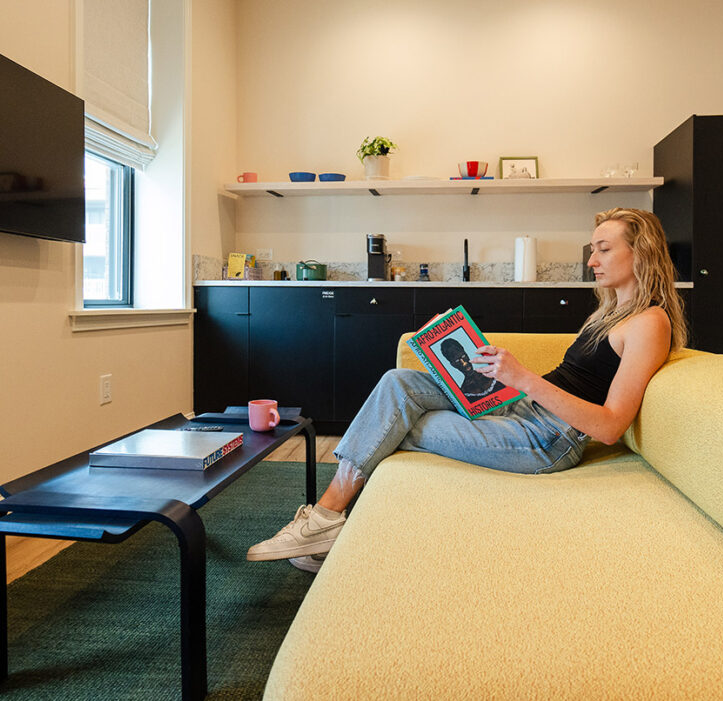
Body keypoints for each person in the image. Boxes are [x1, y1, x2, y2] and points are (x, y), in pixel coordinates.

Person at [247, 207, 687, 570]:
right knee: (397, 383)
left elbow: (609, 426)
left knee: (399, 423)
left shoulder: (650, 323)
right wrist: (482, 366)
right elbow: (572, 380)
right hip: (520, 410)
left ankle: (323, 520)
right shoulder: (610, 313)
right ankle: (326, 523)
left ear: (642, 252)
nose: (591, 261)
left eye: (604, 249)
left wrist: (522, 378)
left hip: (546, 440)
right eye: (593, 250)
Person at [439, 337, 502, 402]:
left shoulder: (492, 372)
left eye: (463, 356)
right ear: (453, 365)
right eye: (457, 361)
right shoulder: (464, 393)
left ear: (467, 354)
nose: (464, 363)